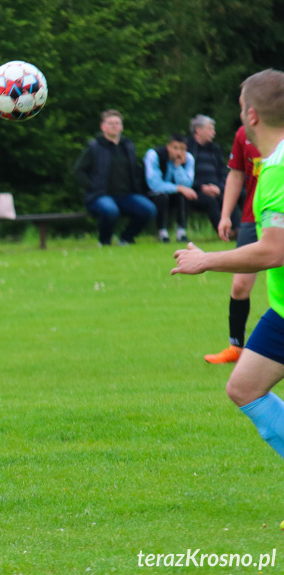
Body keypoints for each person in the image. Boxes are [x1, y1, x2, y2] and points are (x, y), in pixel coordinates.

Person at [172, 68, 284, 475]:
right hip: (282, 309)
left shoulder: (276, 171)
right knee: (243, 387)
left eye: (240, 109)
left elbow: (274, 251)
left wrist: (207, 260)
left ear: (252, 116)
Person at [203, 125, 263, 364]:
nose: (244, 111)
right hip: (251, 218)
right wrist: (226, 214)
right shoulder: (242, 134)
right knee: (239, 285)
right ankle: (236, 347)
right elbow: (236, 174)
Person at [73, 110, 157, 246]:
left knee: (149, 209)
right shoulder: (94, 147)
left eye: (117, 123)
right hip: (100, 195)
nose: (114, 126)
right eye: (110, 123)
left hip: (126, 195)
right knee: (110, 210)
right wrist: (92, 187)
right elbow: (78, 171)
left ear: (121, 127)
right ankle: (104, 241)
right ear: (103, 126)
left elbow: (136, 170)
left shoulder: (128, 146)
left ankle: (126, 238)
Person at [186, 114, 235, 232]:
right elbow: (184, 174)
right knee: (210, 201)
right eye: (210, 129)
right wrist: (201, 187)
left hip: (216, 189)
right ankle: (224, 232)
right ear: (198, 130)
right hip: (195, 191)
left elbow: (223, 172)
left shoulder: (215, 149)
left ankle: (238, 230)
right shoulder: (187, 148)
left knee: (230, 197)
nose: (213, 133)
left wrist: (219, 188)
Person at [144, 134, 195, 243]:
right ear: (168, 147)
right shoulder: (154, 155)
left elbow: (187, 185)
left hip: (175, 195)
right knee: (162, 195)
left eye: (182, 149)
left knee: (183, 195)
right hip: (152, 193)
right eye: (175, 148)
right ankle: (162, 233)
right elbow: (155, 184)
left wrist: (178, 167)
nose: (179, 152)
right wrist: (179, 188)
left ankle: (181, 233)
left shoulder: (189, 158)